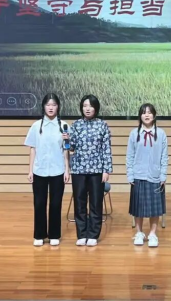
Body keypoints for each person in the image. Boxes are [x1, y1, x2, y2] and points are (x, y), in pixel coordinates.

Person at [24, 93, 70, 247]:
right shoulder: (36, 126)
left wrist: (67, 170)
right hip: (40, 170)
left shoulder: (64, 126)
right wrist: (30, 170)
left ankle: (54, 235)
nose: (51, 108)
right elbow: (32, 149)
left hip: (58, 170)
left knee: (56, 204)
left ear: (58, 107)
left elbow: (66, 150)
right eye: (48, 105)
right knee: (39, 203)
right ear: (43, 106)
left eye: (54, 105)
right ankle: (39, 235)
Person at [70, 94, 113, 246]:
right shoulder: (76, 125)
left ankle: (93, 234)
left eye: (90, 106)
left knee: (95, 203)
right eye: (85, 106)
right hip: (78, 169)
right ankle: (81, 234)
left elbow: (106, 149)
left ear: (96, 108)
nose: (87, 109)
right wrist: (66, 140)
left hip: (97, 170)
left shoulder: (102, 125)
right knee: (79, 202)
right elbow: (71, 147)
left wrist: (106, 170)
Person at [126, 103, 168, 247]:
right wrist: (130, 174)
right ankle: (139, 233)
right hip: (138, 175)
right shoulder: (134, 134)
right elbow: (130, 156)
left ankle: (152, 234)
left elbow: (164, 156)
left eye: (149, 112)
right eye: (144, 112)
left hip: (155, 176)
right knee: (138, 207)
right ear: (140, 116)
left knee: (155, 209)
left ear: (154, 115)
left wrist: (163, 175)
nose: (147, 115)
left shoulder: (161, 134)